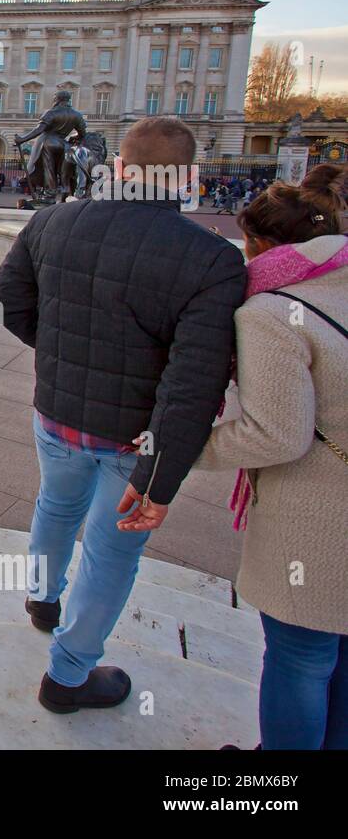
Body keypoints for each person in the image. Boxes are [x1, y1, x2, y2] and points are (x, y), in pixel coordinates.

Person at [0, 117, 247, 714]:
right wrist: (160, 480)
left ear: (120, 168)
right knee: (110, 553)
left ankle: (42, 600)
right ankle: (69, 677)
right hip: (135, 440)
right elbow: (192, 382)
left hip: (54, 415)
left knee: (55, 505)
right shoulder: (212, 261)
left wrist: (58, 353)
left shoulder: (51, 221)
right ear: (186, 179)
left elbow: (2, 305)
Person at [194, 166, 348, 750]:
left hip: (319, 516)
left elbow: (279, 435)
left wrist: (187, 450)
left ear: (260, 244)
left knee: (302, 656)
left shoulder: (270, 312)